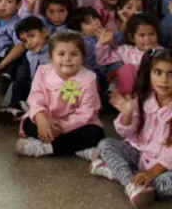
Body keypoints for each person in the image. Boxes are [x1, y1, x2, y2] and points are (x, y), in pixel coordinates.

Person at [92, 49, 172, 208]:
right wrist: (127, 114)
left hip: (165, 167)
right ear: (149, 74)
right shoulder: (144, 98)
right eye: (158, 72)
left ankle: (117, 173)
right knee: (105, 144)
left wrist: (151, 173)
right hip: (140, 153)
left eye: (171, 74)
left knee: (167, 183)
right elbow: (127, 133)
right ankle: (132, 185)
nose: (164, 80)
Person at [16, 31, 104, 159]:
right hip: (47, 121)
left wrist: (62, 127)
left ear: (83, 57)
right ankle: (79, 149)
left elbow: (87, 112)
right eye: (61, 54)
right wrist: (41, 119)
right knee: (28, 123)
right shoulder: (42, 72)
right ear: (51, 58)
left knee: (96, 134)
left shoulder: (89, 79)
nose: (67, 59)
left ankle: (45, 148)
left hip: (75, 125)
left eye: (74, 54)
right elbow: (35, 98)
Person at [98, 13, 161, 96]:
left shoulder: (162, 53)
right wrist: (102, 44)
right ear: (132, 37)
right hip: (130, 92)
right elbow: (104, 60)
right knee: (126, 69)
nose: (147, 39)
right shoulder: (125, 50)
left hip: (153, 91)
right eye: (142, 35)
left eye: (151, 34)